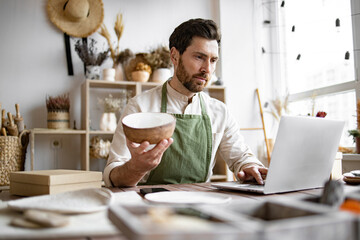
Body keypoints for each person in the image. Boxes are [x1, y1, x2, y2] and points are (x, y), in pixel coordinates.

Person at [103, 18, 267, 187]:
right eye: (199, 57)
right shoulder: (140, 107)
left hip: (201, 205)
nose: (207, 69)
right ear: (174, 56)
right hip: (151, 208)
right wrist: (135, 169)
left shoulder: (219, 112)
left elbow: (241, 157)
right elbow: (112, 175)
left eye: (213, 60)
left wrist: (250, 166)